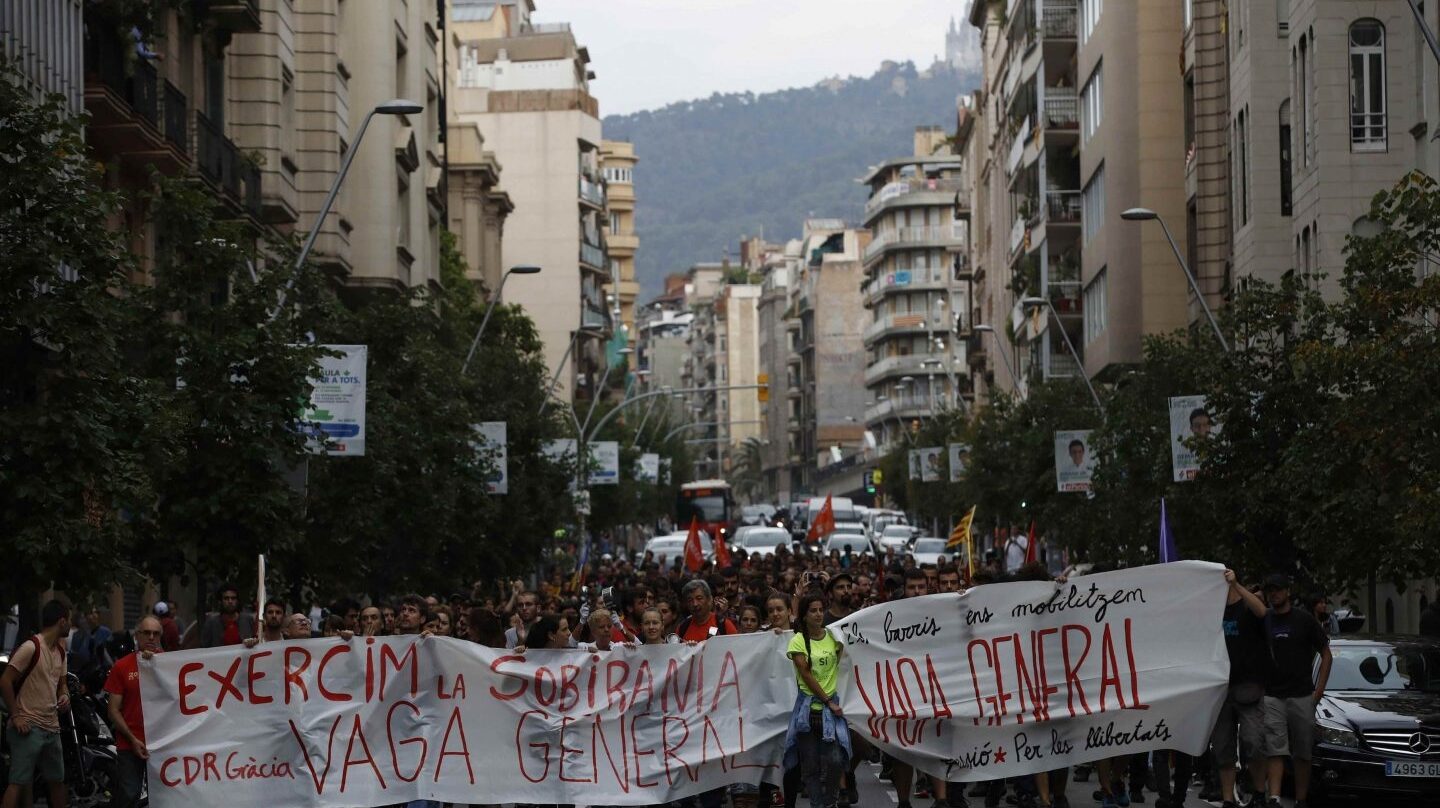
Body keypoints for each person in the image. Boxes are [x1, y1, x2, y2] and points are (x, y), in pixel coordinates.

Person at [1260, 573, 1332, 808]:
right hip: (1273, 695)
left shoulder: (1304, 619)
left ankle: (1301, 799)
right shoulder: (1265, 619)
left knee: (1302, 752)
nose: (1274, 594)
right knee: (1275, 748)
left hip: (1302, 694)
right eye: (1270, 590)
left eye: (1278, 589)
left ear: (1288, 591)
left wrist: (1318, 691)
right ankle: (1274, 798)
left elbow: (1326, 654)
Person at [0, 599, 71, 808]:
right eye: (69, 620)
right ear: (61, 621)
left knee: (57, 781)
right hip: (28, 726)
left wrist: (64, 695)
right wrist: (16, 716)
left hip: (52, 727)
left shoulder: (60, 651)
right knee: (17, 783)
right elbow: (5, 681)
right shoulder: (31, 647)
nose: (70, 624)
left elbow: (62, 684)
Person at [783, 592, 851, 808]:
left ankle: (829, 801)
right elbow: (806, 674)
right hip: (808, 712)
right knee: (811, 766)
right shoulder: (797, 641)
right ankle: (817, 804)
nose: (819, 614)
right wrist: (827, 700)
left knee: (835, 760)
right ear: (804, 615)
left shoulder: (833, 636)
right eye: (813, 610)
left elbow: (841, 664)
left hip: (831, 710)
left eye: (821, 609)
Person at [1210, 570, 1269, 808]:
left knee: (1253, 742)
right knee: (1222, 747)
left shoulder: (1247, 607)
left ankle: (1259, 793)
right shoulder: (1212, 611)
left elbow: (1263, 612)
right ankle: (1227, 798)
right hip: (1220, 689)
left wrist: (1237, 585)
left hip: (1248, 686)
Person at [105, 616, 163, 808]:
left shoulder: (171, 665)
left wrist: (245, 651)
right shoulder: (122, 666)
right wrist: (132, 739)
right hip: (129, 745)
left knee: (164, 798)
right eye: (147, 633)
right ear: (137, 635)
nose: (151, 637)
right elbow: (113, 710)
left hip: (163, 744)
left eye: (156, 633)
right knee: (129, 796)